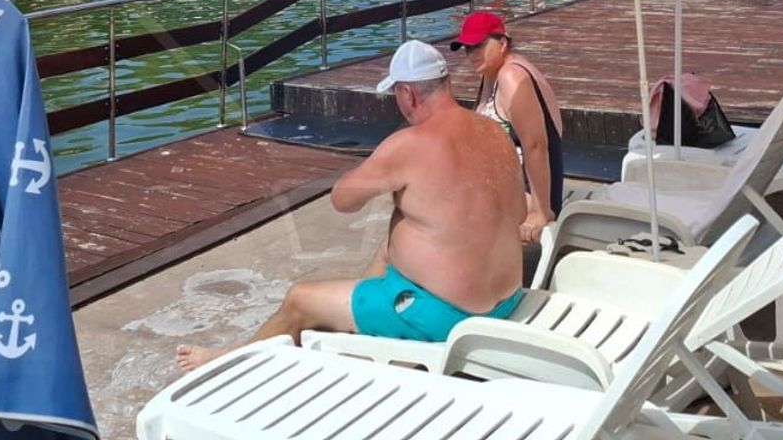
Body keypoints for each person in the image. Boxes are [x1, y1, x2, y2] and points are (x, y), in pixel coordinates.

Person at [174, 40, 524, 371]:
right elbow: (519, 213)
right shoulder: (494, 131)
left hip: (446, 316)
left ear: (408, 93)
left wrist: (380, 169)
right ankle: (359, 322)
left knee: (299, 299)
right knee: (392, 241)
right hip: (506, 300)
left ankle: (234, 359)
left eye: (396, 95)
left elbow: (343, 200)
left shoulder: (408, 144)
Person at [452, 11, 564, 244]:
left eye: (479, 46)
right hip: (505, 187)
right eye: (467, 48)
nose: (472, 54)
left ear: (502, 44)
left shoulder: (511, 76)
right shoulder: (491, 73)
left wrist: (540, 212)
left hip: (530, 195)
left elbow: (536, 145)